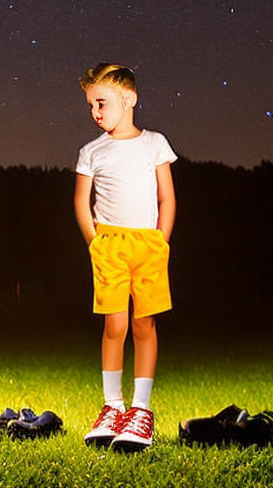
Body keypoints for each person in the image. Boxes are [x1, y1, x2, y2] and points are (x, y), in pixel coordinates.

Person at [73, 62, 177, 451]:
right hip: (109, 244)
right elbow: (81, 202)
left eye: (101, 102)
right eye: (90, 106)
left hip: (147, 244)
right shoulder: (90, 152)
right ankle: (112, 407)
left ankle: (140, 411)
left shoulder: (154, 144)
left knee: (143, 324)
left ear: (128, 98)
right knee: (114, 326)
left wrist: (160, 242)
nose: (96, 112)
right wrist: (94, 242)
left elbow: (166, 197)